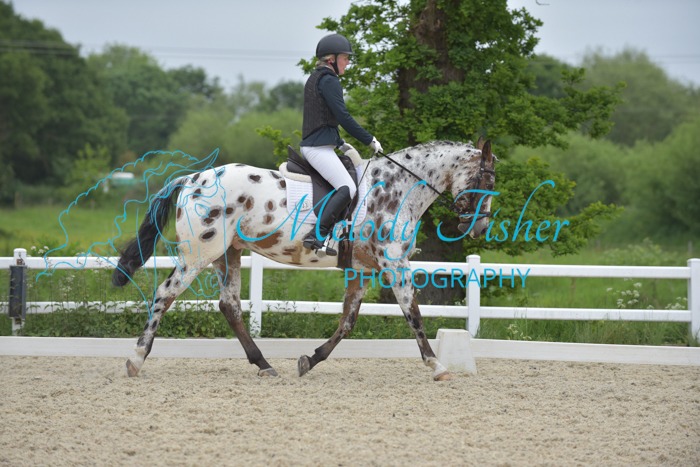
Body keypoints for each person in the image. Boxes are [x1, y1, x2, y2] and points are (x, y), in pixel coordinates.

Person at [300, 33, 383, 256]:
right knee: (347, 187)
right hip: (317, 149)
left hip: (321, 145)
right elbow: (343, 117)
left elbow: (323, 118)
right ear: (331, 59)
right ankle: (317, 235)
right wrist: (369, 139)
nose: (347, 62)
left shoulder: (317, 78)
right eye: (345, 58)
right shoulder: (329, 81)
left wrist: (340, 143)